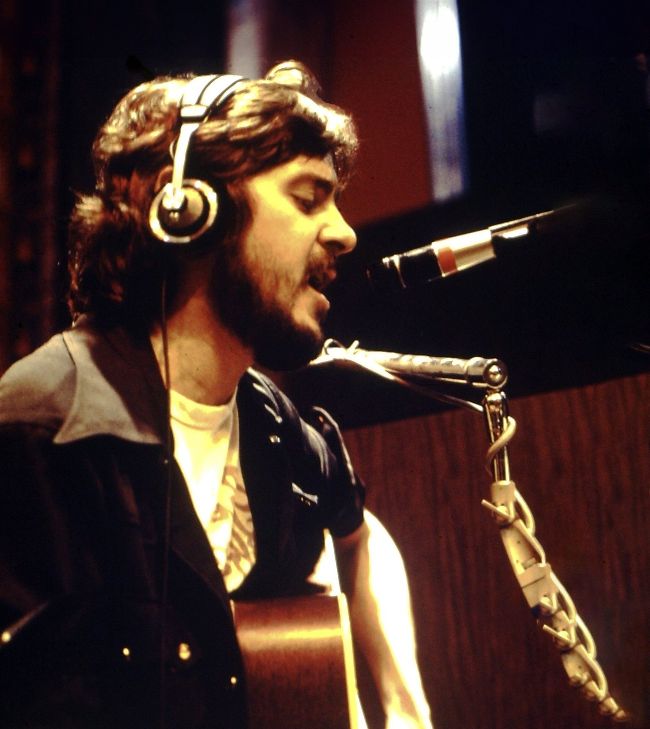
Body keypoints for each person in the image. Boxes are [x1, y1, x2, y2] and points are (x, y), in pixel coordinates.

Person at [0, 61, 432, 728]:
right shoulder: (42, 432)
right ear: (192, 212)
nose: (345, 232)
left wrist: (405, 709)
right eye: (308, 199)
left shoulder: (277, 429)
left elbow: (361, 534)